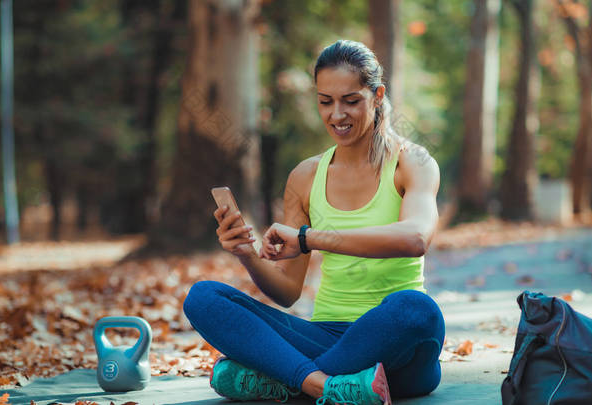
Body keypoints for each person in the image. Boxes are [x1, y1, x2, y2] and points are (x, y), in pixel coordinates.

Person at [183, 39, 445, 405]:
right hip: (327, 335)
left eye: (351, 100)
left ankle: (288, 379)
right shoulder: (305, 177)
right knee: (204, 297)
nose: (337, 115)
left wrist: (309, 238)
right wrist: (247, 255)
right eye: (325, 102)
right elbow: (288, 292)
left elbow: (415, 237)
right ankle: (324, 387)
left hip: (398, 344)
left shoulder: (412, 162)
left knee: (417, 310)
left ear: (378, 95)